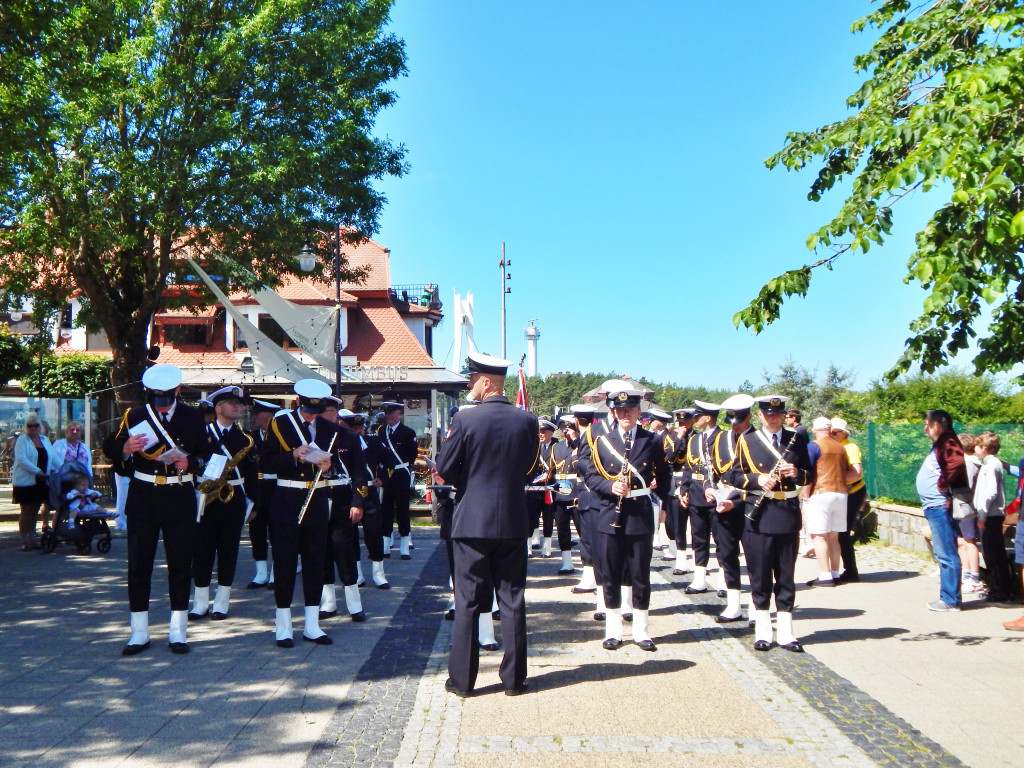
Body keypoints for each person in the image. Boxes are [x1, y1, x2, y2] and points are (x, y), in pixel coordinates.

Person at [435, 351, 539, 697]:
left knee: (467, 600)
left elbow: (446, 468)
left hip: (471, 521)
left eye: (472, 379)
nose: (469, 386)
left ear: (486, 382)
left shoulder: (466, 419)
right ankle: (514, 680)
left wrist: (472, 478)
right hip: (512, 520)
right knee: (512, 600)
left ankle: (463, 682)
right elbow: (529, 467)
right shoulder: (527, 421)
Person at [102, 364, 213, 655]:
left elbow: (207, 453)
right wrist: (125, 448)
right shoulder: (137, 414)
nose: (161, 406)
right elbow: (111, 446)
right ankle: (139, 632)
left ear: (177, 391)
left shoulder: (193, 416)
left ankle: (178, 631)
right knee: (139, 565)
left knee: (180, 564)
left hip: (179, 493)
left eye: (166, 398)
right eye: (156, 398)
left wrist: (193, 463)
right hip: (144, 494)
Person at [578, 384, 672, 651]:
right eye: (620, 410)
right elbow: (590, 474)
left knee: (640, 573)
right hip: (609, 510)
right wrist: (609, 487)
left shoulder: (651, 440)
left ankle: (642, 631)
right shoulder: (601, 440)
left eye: (630, 409)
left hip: (639, 512)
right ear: (613, 412)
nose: (625, 414)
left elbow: (663, 474)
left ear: (638, 411)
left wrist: (663, 502)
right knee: (610, 572)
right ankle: (613, 630)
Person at [260, 379, 342, 648]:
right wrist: (293, 455)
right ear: (298, 402)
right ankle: (283, 626)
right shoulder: (280, 424)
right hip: (286, 498)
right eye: (307, 410)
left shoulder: (330, 428)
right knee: (284, 563)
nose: (311, 416)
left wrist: (329, 466)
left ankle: (312, 625)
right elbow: (266, 461)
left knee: (315, 563)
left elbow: (335, 466)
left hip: (315, 500)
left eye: (316, 412)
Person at [727, 395, 812, 652]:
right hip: (760, 513)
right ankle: (763, 630)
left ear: (784, 415)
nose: (773, 419)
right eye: (768, 415)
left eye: (778, 414)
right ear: (760, 415)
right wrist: (757, 480)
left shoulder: (796, 439)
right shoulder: (748, 440)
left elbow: (810, 474)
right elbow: (733, 474)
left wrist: (796, 473)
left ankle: (786, 632)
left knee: (786, 576)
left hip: (787, 512)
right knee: (760, 574)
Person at [188, 386, 258, 621]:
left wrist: (254, 504)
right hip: (205, 497)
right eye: (232, 403)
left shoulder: (245, 437)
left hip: (233, 496)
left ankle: (222, 602)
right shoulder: (201, 433)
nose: (238, 407)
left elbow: (252, 472)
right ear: (218, 408)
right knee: (201, 551)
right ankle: (200, 602)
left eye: (239, 404)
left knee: (229, 550)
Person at [318, 398, 370, 623]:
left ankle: (354, 605)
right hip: (318, 500)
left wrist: (358, 501)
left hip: (342, 500)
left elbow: (360, 473)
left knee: (345, 550)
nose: (326, 416)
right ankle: (327, 603)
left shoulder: (349, 437)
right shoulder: (312, 438)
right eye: (323, 411)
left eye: (330, 411)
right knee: (321, 553)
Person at [709, 394, 754, 623]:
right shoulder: (721, 439)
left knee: (756, 559)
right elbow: (713, 470)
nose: (735, 425)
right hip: (724, 504)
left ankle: (758, 607)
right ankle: (734, 604)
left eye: (740, 420)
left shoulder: (759, 439)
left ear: (750, 417)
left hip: (751, 505)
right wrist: (709, 488)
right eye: (732, 420)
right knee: (727, 554)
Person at [917, 409, 967, 612]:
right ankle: (948, 597)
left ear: (937, 425)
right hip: (934, 505)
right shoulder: (943, 442)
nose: (925, 428)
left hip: (939, 505)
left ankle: (950, 599)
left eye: (927, 424)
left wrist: (942, 484)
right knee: (943, 551)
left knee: (946, 552)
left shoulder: (947, 441)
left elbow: (956, 462)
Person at [803, 417, 849, 588]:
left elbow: (808, 473)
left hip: (821, 492)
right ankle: (836, 573)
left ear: (814, 430)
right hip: (841, 493)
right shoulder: (841, 448)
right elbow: (848, 471)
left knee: (818, 535)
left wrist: (806, 495)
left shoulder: (814, 446)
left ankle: (825, 575)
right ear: (830, 429)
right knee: (834, 536)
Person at [682, 400, 722, 594]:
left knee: (721, 539)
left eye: (697, 417)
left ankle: (724, 579)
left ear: (708, 417)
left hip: (716, 496)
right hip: (697, 494)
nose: (694, 420)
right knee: (699, 538)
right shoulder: (695, 440)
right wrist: (684, 490)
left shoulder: (723, 437)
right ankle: (700, 578)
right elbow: (689, 468)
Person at [973, 431, 1014, 604]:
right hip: (989, 514)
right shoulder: (989, 463)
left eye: (977, 445)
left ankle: (1001, 590)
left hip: (991, 515)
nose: (974, 448)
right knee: (990, 553)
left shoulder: (992, 465)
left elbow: (990, 493)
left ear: (983, 447)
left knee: (994, 554)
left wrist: (982, 515)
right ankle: (997, 589)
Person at [245, 398, 280, 588]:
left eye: (267, 417)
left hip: (276, 488)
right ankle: (260, 573)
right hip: (257, 488)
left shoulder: (281, 437)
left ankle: (276, 573)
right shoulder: (250, 438)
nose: (262, 420)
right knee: (256, 532)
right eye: (260, 417)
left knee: (277, 533)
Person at [376, 401, 418, 559]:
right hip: (386, 475)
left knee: (402, 509)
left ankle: (405, 544)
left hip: (401, 473)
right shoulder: (381, 432)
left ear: (398, 413)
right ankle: (385, 545)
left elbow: (412, 456)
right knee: (385, 509)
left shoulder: (408, 432)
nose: (388, 416)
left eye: (391, 413)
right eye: (386, 413)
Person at [13, 415, 60, 551]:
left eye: (36, 425)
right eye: (30, 426)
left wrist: (65, 469)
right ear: (26, 427)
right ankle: (24, 540)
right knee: (26, 511)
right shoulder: (22, 440)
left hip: (41, 480)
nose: (33, 428)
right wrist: (37, 471)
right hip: (25, 481)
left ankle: (32, 540)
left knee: (34, 510)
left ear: (40, 427)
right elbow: (22, 460)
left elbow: (54, 458)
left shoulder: (45, 440)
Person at [829, 417, 865, 582]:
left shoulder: (849, 447)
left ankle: (851, 571)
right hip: (843, 492)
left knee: (842, 531)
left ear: (844, 433)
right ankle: (847, 570)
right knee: (838, 531)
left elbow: (856, 473)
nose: (832, 433)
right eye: (831, 431)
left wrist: (835, 477)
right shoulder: (836, 445)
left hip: (853, 491)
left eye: (836, 431)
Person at [668, 408, 697, 575]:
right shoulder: (672, 438)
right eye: (680, 422)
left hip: (694, 483)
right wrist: (678, 437)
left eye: (686, 421)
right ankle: (680, 560)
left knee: (696, 525)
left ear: (692, 421)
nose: (683, 425)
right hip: (676, 482)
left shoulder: (698, 437)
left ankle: (697, 560)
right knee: (678, 524)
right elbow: (668, 457)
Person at [953, 433, 982, 594]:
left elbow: (968, 484)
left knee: (970, 541)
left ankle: (974, 577)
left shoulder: (969, 463)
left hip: (967, 506)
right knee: (961, 541)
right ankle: (966, 573)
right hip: (960, 506)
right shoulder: (965, 461)